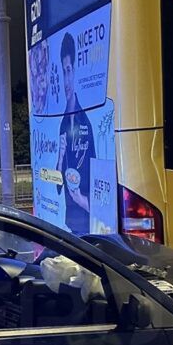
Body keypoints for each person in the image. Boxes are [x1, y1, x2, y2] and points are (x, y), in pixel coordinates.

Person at [55, 31, 95, 234]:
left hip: (86, 224)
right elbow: (57, 185)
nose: (66, 81)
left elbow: (98, 186)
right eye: (63, 72)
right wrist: (61, 157)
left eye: (69, 70)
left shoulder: (86, 122)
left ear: (76, 72)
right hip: (71, 222)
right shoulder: (63, 123)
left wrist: (81, 199)